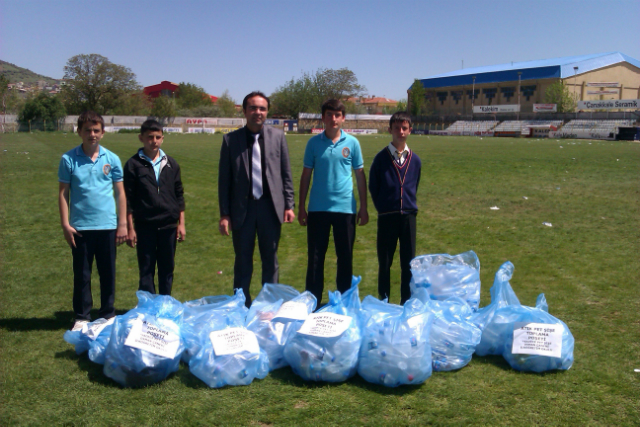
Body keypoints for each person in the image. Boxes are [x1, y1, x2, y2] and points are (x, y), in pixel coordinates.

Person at [218, 91, 295, 307]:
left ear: (267, 112)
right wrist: (224, 214)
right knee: (243, 262)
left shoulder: (278, 137)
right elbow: (224, 180)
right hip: (242, 209)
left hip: (271, 208)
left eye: (262, 108)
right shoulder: (230, 140)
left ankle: (268, 306)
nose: (257, 112)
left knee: (270, 260)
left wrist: (289, 204)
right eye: (253, 108)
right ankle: (241, 306)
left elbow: (286, 173)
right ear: (244, 111)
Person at [58, 111, 127, 330]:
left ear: (103, 133)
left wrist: (123, 223)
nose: (92, 134)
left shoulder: (112, 159)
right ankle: (82, 317)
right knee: (82, 274)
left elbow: (120, 193)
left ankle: (108, 313)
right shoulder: (68, 159)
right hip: (80, 227)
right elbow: (63, 194)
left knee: (108, 273)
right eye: (87, 130)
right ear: (79, 132)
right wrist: (65, 224)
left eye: (96, 130)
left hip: (107, 225)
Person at [298, 99, 368, 305]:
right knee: (315, 259)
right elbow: (305, 176)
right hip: (318, 209)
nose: (333, 119)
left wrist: (363, 207)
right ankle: (312, 303)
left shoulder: (352, 143)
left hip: (345, 209)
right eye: (329, 114)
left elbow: (360, 176)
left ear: (343, 118)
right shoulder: (313, 144)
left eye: (338, 115)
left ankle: (344, 303)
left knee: (345, 258)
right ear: (323, 117)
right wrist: (301, 207)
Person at [123, 119, 186, 296]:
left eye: (158, 137)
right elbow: (128, 199)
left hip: (168, 225)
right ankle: (147, 309)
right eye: (150, 137)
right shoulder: (133, 165)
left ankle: (165, 305)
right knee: (146, 269)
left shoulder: (171, 164)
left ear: (163, 138)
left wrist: (181, 224)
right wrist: (130, 227)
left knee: (167, 269)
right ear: (141, 138)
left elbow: (179, 195)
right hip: (145, 225)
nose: (154, 141)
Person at [369, 111, 422, 304]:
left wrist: (406, 203)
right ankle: (383, 300)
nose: (400, 131)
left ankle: (405, 302)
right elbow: (373, 187)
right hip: (387, 217)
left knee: (408, 263)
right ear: (390, 129)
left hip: (408, 217)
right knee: (385, 262)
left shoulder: (415, 160)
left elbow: (414, 184)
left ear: (410, 130)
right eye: (397, 128)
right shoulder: (381, 159)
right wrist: (384, 206)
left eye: (404, 128)